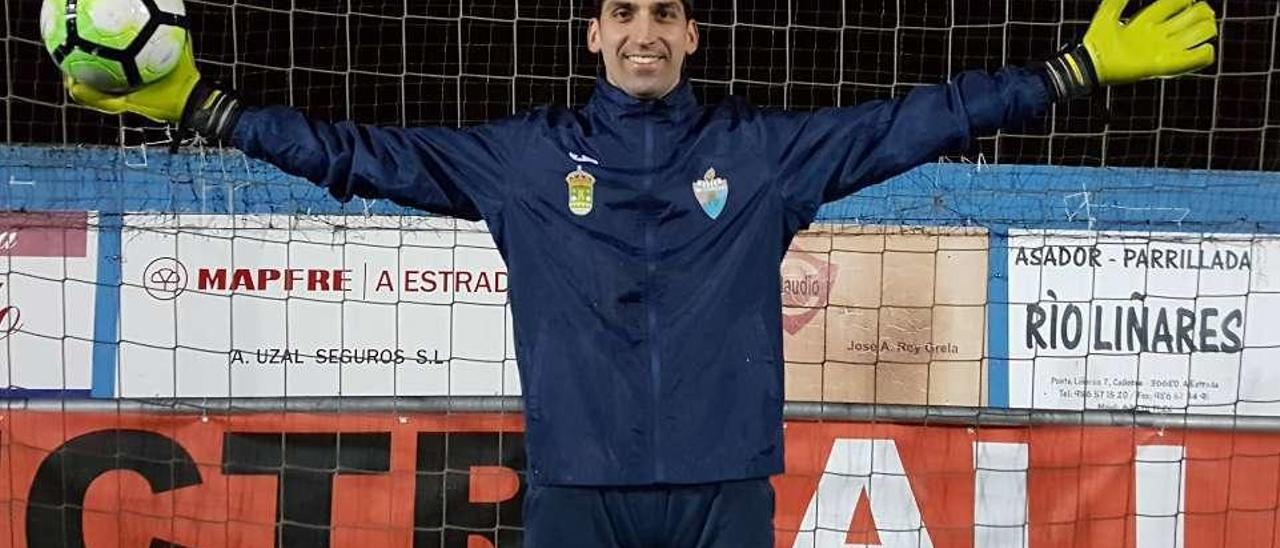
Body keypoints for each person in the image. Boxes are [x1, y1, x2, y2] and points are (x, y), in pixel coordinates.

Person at [66, 0, 1218, 545]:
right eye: (622, 13)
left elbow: (919, 121)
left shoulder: (762, 156)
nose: (643, 32)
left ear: (692, 34)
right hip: (575, 490)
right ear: (592, 36)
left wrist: (1071, 70)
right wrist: (209, 110)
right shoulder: (520, 162)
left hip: (723, 494)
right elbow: (354, 157)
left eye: (663, 12)